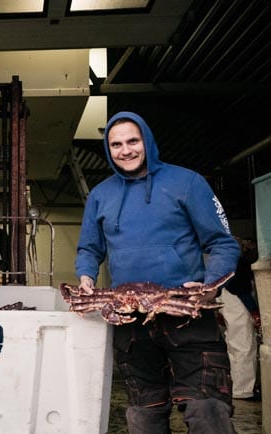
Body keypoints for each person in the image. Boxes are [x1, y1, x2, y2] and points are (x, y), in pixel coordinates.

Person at [74, 111, 241, 434]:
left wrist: (210, 286)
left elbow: (223, 243)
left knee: (207, 412)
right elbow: (89, 249)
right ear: (109, 150)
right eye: (116, 144)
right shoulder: (100, 195)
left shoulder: (188, 182)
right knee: (143, 417)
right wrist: (86, 276)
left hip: (187, 314)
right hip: (131, 326)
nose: (126, 150)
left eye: (133, 141)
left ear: (147, 140)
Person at [219, 236, 260, 401]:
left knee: (234, 347)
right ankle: (243, 390)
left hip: (227, 301)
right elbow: (241, 290)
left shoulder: (225, 263)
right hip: (237, 303)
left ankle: (236, 386)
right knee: (244, 347)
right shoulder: (239, 264)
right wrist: (254, 311)